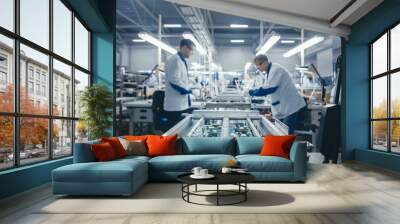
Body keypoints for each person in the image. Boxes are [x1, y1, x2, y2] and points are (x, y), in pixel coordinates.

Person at [249, 54, 307, 134]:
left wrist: (252, 92)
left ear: (264, 63)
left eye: (258, 67)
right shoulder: (269, 71)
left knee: (285, 134)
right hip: (284, 106)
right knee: (280, 132)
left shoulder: (276, 70)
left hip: (290, 107)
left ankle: (288, 146)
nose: (259, 69)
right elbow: (267, 86)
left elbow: (269, 89)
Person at [163, 39, 195, 130]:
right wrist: (189, 90)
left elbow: (182, 80)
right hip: (175, 107)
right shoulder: (174, 60)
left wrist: (189, 89)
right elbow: (174, 81)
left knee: (182, 132)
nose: (192, 53)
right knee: (175, 134)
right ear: (185, 48)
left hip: (181, 105)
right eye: (191, 50)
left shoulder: (181, 61)